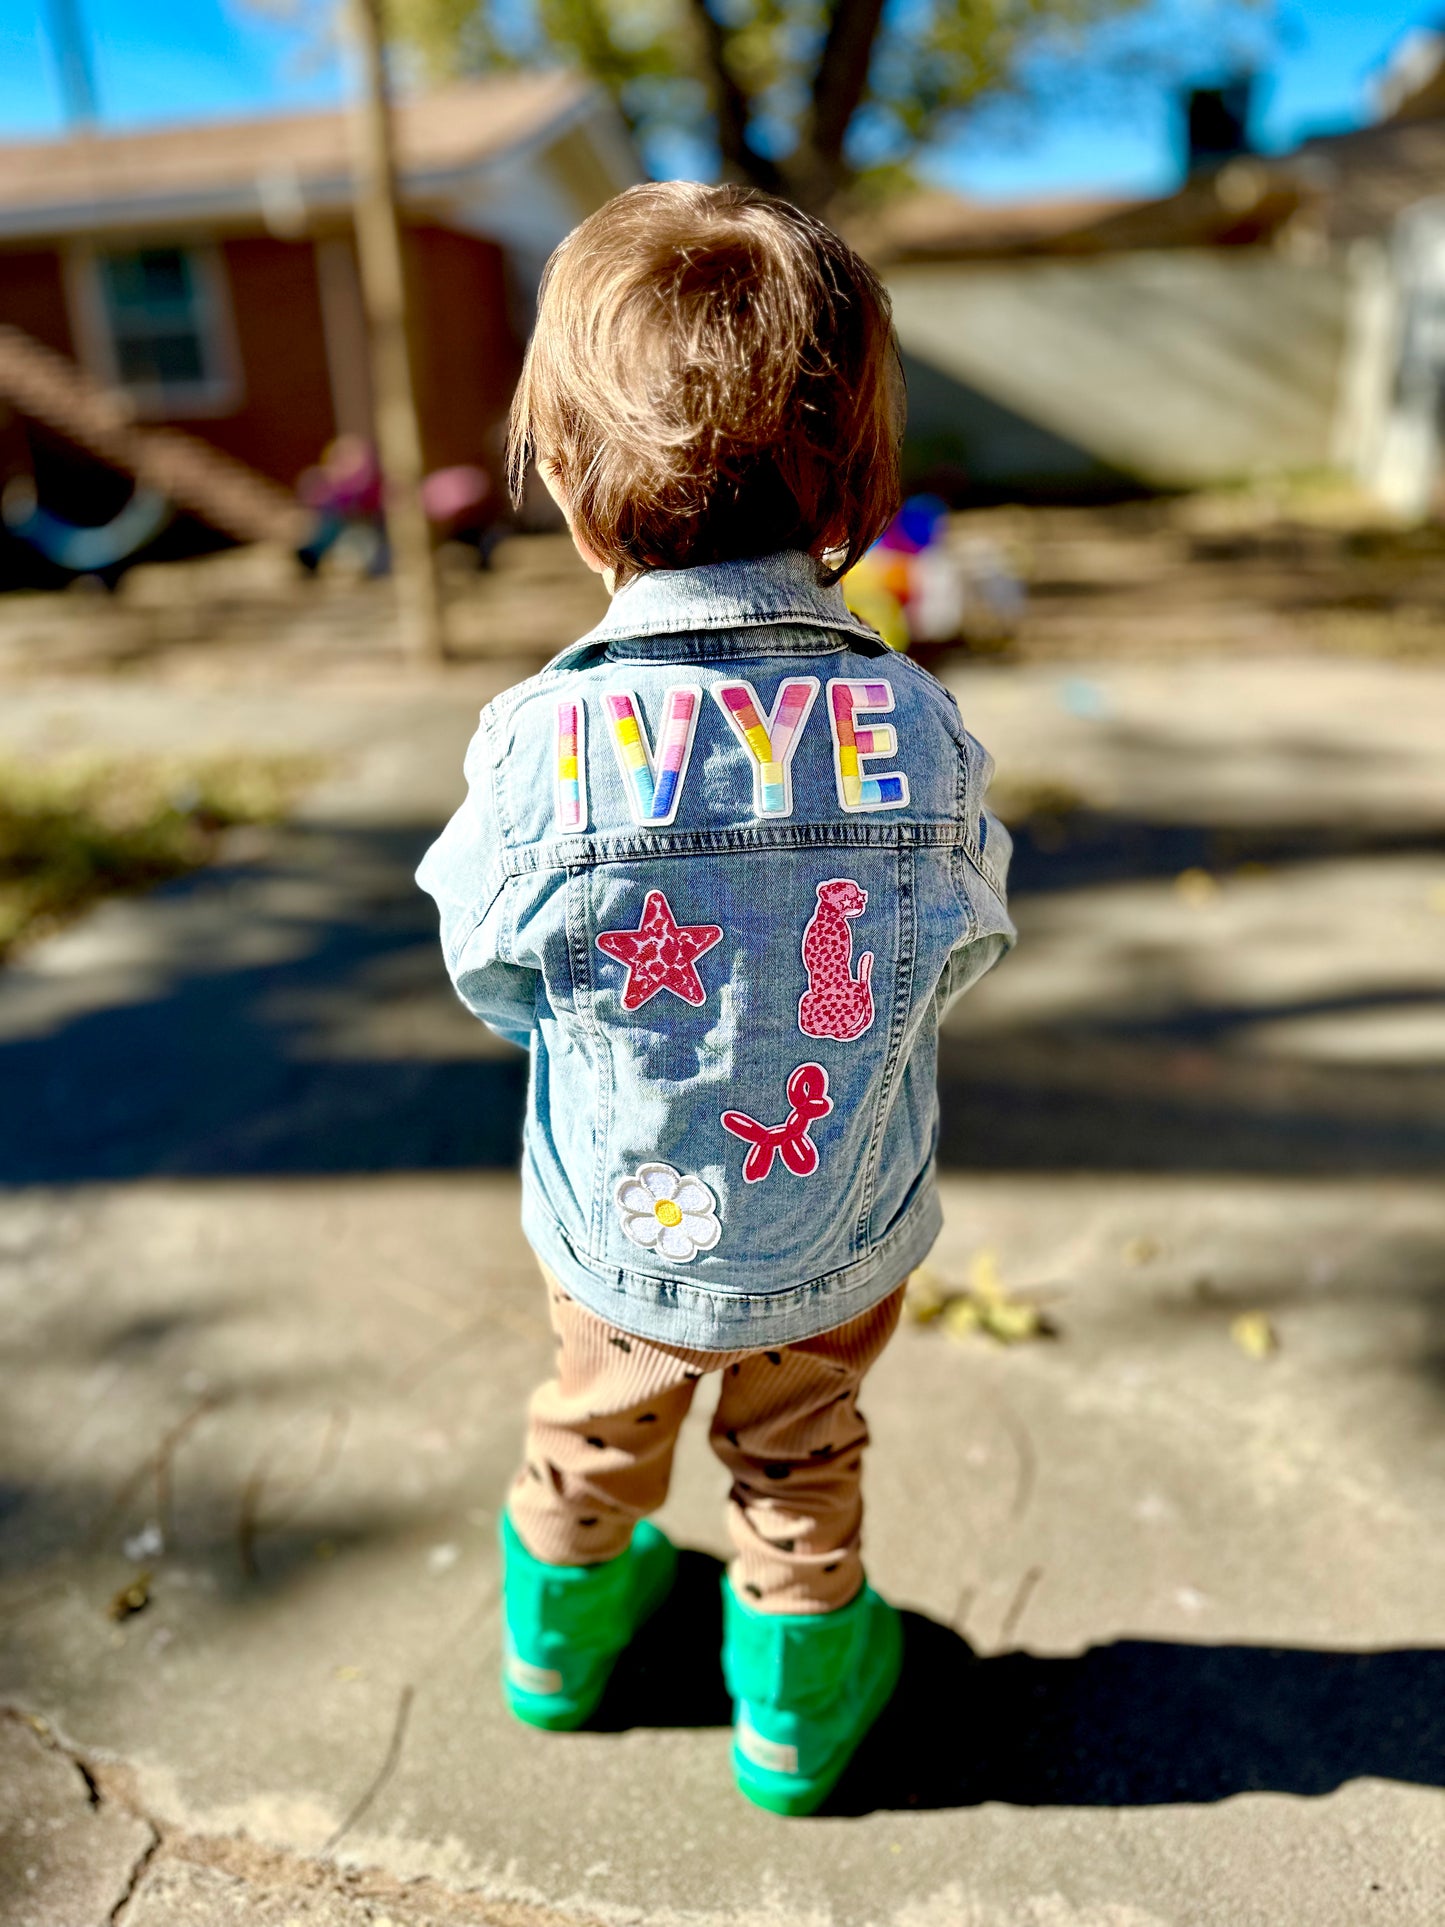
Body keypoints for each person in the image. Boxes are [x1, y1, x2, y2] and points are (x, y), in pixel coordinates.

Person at [416, 181, 1014, 1816]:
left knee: (594, 1421)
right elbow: (960, 953)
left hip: (625, 1230)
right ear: (856, 476)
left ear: (561, 476)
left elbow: (489, 973)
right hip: (836, 1227)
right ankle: (794, 1711)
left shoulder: (537, 740)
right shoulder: (922, 724)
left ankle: (556, 1642)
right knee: (798, 1451)